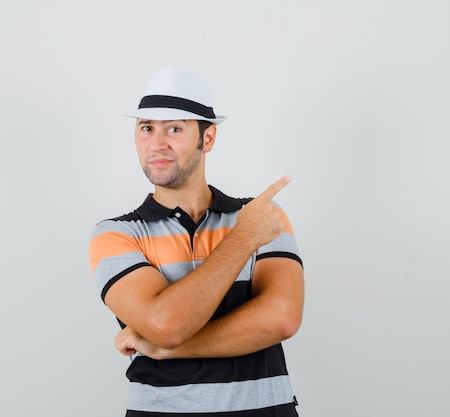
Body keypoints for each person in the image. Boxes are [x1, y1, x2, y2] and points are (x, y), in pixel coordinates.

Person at [88, 68, 304, 417]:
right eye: (146, 129)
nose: (157, 143)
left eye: (174, 128)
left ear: (208, 139)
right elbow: (165, 325)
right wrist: (243, 239)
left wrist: (167, 350)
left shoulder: (261, 214)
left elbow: (281, 319)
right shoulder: (116, 234)